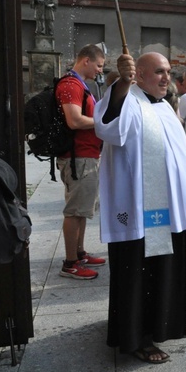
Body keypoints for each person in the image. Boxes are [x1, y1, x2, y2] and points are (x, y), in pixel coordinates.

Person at [94, 52, 186, 364]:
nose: (166, 78)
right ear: (140, 75)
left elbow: (176, 154)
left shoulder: (164, 107)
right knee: (140, 276)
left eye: (169, 72)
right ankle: (137, 338)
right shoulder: (129, 101)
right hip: (140, 212)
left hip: (169, 211)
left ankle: (167, 324)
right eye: (159, 72)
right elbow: (109, 128)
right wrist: (122, 83)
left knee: (166, 273)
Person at [56, 44, 106, 280]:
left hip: (86, 156)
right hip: (78, 159)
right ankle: (70, 263)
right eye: (99, 65)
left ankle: (79, 252)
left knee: (83, 210)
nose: (99, 70)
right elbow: (74, 121)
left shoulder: (80, 84)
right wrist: (103, 122)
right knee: (75, 211)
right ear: (86, 60)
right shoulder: (70, 85)